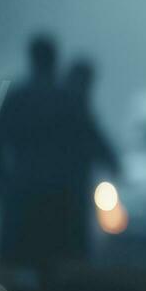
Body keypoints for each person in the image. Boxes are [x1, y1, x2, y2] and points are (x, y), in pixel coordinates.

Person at [0, 34, 74, 271]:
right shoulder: (66, 99)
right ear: (54, 60)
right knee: (53, 260)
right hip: (57, 190)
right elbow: (84, 142)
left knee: (16, 260)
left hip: (22, 185)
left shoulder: (17, 98)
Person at [59, 58, 120, 264]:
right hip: (70, 191)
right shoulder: (76, 107)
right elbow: (96, 141)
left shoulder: (30, 100)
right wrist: (114, 164)